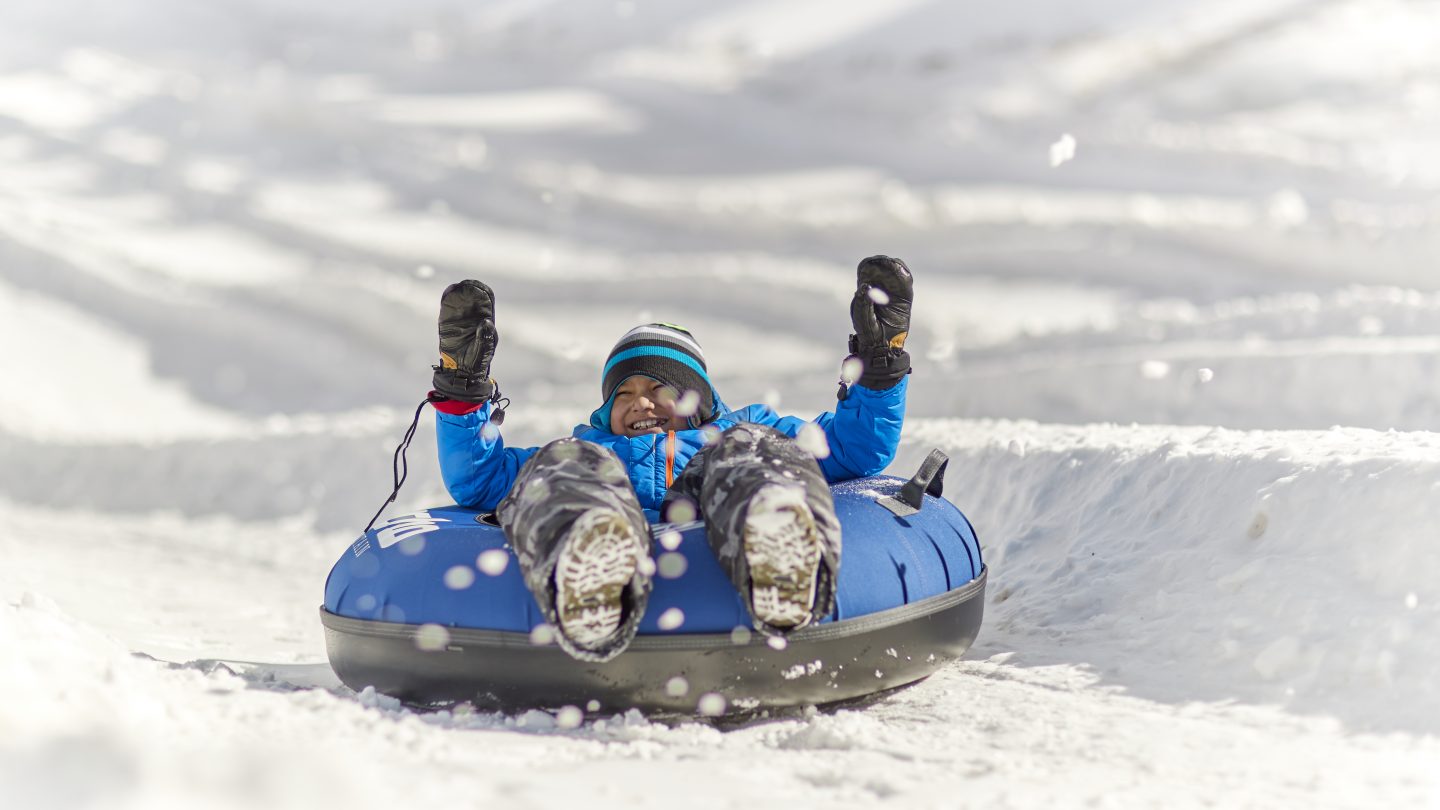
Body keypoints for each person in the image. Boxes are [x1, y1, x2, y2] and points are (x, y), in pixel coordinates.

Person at [429, 256, 914, 662]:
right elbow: (479, 478)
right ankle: (592, 565)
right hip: (612, 527)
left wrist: (879, 362)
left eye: (659, 388)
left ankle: (777, 548)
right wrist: (464, 385)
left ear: (695, 400)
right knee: (565, 464)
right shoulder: (590, 451)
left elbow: (857, 448)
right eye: (625, 393)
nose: (641, 402)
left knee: (751, 447)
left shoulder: (732, 432)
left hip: (722, 520)